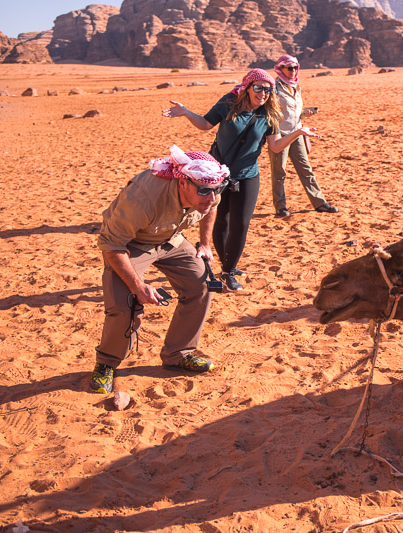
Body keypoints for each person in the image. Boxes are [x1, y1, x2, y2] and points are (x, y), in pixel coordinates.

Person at [163, 68, 319, 291]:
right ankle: (228, 263)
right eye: (258, 88)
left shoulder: (269, 114)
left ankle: (227, 271)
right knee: (221, 220)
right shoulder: (229, 103)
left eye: (267, 90)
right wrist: (186, 112)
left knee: (241, 224)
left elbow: (274, 146)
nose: (263, 93)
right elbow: (206, 124)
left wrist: (298, 133)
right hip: (218, 174)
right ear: (247, 87)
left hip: (248, 175)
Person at [91, 145, 229, 394]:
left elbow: (212, 208)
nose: (211, 196)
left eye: (216, 190)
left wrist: (206, 244)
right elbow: (111, 244)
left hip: (171, 239)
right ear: (183, 183)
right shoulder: (143, 199)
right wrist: (138, 286)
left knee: (202, 285)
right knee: (126, 304)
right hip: (130, 245)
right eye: (205, 191)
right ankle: (106, 364)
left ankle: (178, 353)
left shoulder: (209, 187)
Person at [268, 55, 338, 217]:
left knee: (306, 169)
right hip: (281, 134)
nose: (293, 71)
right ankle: (281, 207)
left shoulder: (296, 87)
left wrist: (304, 114)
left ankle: (319, 203)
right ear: (280, 69)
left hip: (297, 132)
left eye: (295, 67)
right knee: (279, 172)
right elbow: (270, 112)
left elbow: (292, 112)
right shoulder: (274, 89)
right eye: (289, 68)